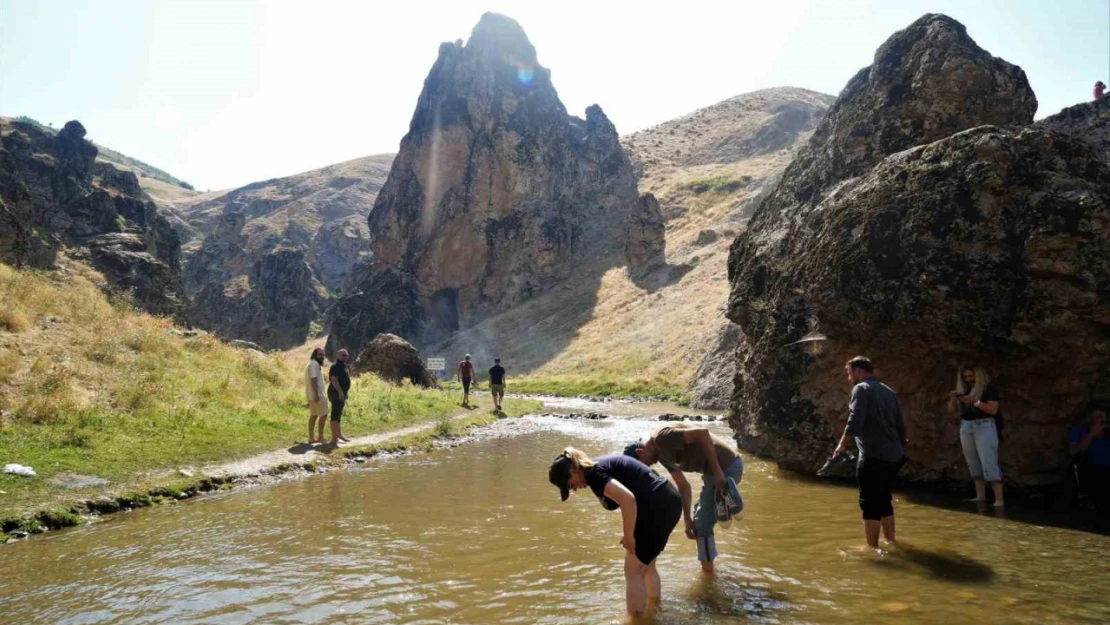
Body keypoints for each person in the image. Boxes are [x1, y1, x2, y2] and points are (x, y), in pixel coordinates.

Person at [549, 447, 682, 617]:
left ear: (573, 471)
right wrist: (631, 530)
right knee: (647, 566)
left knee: (632, 570)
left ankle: (637, 620)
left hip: (656, 505)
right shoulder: (598, 466)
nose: (573, 489)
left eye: (569, 485)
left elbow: (628, 500)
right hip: (669, 498)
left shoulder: (594, 474)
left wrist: (629, 537)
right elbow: (627, 497)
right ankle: (654, 611)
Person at [624, 422, 743, 574]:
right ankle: (724, 498)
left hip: (726, 468)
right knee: (697, 513)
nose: (648, 468)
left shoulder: (661, 438)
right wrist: (687, 519)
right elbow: (684, 486)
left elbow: (703, 433)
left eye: (643, 466)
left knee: (702, 525)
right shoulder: (661, 456)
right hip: (712, 474)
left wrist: (718, 472)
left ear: (640, 452)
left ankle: (708, 578)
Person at [833, 356, 907, 548]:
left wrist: (842, 445)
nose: (849, 377)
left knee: (869, 502)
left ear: (858, 370)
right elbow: (900, 425)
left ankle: (872, 548)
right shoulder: (888, 391)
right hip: (894, 456)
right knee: (884, 499)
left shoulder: (861, 388)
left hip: (873, 455)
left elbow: (855, 420)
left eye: (850, 373)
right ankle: (891, 542)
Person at [947, 365, 1004, 507]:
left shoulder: (988, 389)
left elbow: (993, 410)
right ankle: (980, 496)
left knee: (988, 460)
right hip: (966, 425)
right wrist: (953, 399)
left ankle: (999, 500)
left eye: (971, 377)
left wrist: (975, 402)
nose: (968, 380)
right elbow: (951, 411)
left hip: (985, 425)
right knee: (972, 461)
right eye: (965, 377)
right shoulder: (964, 390)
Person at [1068, 403, 1109, 515]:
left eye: (1104, 417)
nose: (1102, 421)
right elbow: (1074, 453)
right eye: (1098, 417)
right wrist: (1091, 434)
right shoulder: (1079, 431)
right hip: (1092, 470)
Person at [327, 349, 351, 445]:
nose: (345, 357)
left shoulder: (343, 365)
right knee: (335, 414)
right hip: (335, 393)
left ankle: (339, 435)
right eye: (343, 355)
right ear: (338, 355)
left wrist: (345, 393)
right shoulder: (336, 366)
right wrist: (340, 392)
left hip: (341, 393)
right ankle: (334, 438)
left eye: (346, 355)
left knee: (339, 414)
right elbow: (334, 380)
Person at [305, 347, 328, 444]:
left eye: (323, 355)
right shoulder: (314, 364)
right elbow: (313, 379)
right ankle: (320, 437)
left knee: (313, 415)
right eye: (320, 355)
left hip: (311, 395)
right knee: (324, 414)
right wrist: (316, 395)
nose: (322, 357)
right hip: (317, 395)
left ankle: (311, 438)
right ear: (315, 354)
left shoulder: (312, 364)